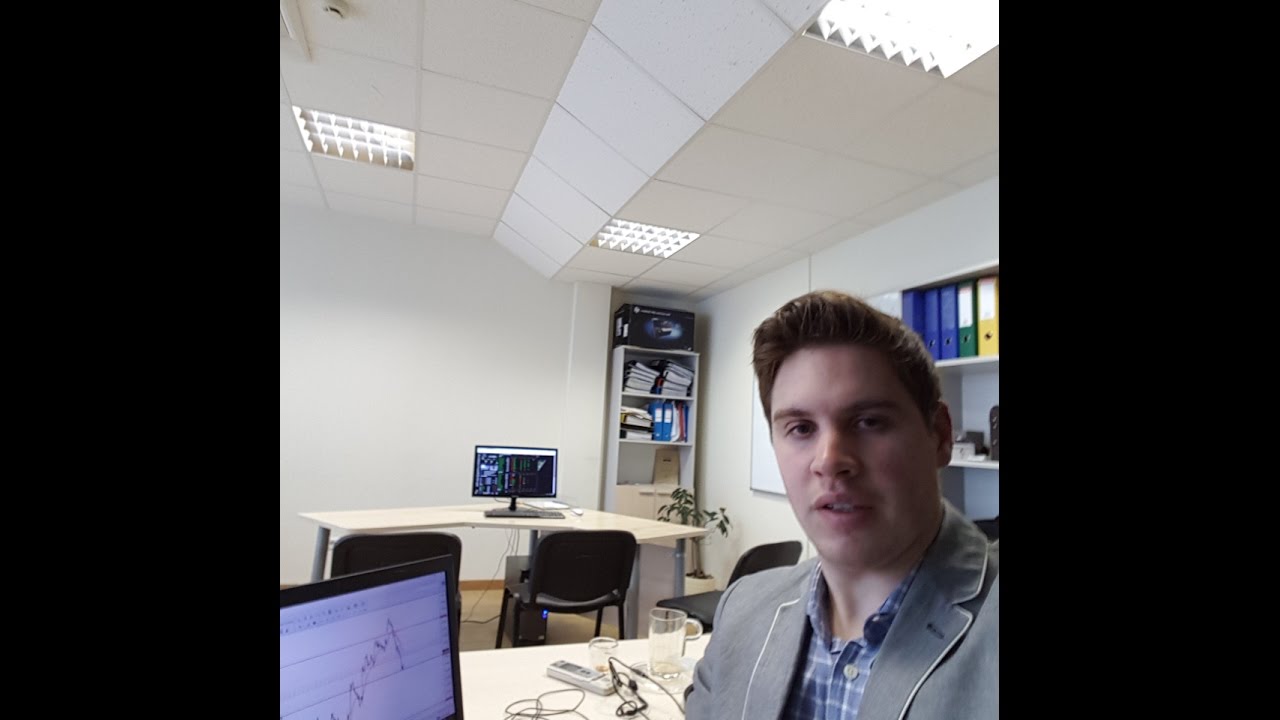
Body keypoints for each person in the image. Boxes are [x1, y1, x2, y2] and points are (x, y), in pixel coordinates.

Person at [685, 290, 998, 719]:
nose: (830, 460)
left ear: (940, 436)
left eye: (869, 421)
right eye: (800, 428)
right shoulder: (742, 610)